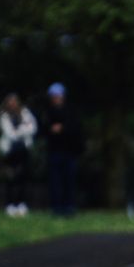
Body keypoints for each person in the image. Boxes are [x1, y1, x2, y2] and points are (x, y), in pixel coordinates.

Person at [43, 83, 83, 216]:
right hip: (54, 151)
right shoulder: (48, 112)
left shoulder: (71, 111)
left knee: (69, 180)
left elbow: (76, 129)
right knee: (56, 181)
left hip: (69, 151)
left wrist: (62, 129)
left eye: (58, 95)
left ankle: (69, 206)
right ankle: (57, 207)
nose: (56, 98)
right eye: (53, 96)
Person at [0, 93, 37, 216]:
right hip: (10, 151)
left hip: (24, 149)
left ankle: (21, 204)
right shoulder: (4, 116)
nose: (12, 104)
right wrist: (23, 129)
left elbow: (33, 128)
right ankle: (10, 204)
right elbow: (10, 134)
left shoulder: (25, 113)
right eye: (10, 102)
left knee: (23, 177)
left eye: (14, 101)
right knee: (11, 178)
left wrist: (19, 130)